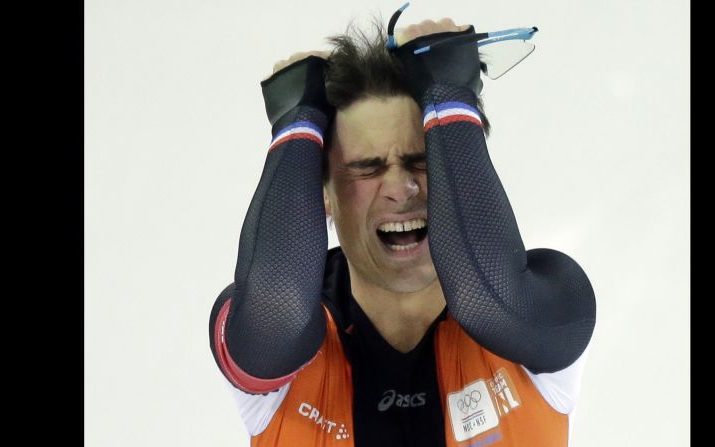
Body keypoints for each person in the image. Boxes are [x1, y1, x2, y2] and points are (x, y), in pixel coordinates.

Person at [209, 9, 596, 447]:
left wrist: (449, 97)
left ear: (459, 174)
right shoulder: (275, 321)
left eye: (420, 161)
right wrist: (296, 125)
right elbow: (272, 323)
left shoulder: (547, 304)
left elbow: (490, 302)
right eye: (366, 168)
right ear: (323, 197)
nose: (401, 187)